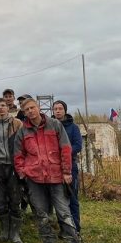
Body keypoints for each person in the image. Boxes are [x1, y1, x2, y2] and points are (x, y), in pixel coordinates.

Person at [14, 98, 84, 243]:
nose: (30, 111)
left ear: (38, 108)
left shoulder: (55, 125)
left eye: (32, 107)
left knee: (64, 213)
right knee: (41, 214)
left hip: (56, 177)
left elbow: (66, 148)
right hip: (35, 179)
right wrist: (23, 173)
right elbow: (18, 155)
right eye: (27, 109)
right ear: (24, 113)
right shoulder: (23, 131)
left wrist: (67, 172)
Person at [0, 97, 24, 243]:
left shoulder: (17, 123)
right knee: (0, 200)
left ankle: (15, 232)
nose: (1, 108)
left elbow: (23, 144)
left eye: (3, 105)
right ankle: (5, 229)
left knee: (15, 199)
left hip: (13, 165)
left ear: (8, 107)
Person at [52, 100, 83, 235]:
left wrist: (64, 152)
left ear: (65, 110)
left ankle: (75, 227)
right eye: (55, 109)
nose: (58, 111)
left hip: (70, 166)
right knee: (59, 199)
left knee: (71, 197)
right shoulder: (50, 126)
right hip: (54, 167)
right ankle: (64, 227)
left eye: (60, 109)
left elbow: (78, 145)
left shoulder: (73, 127)